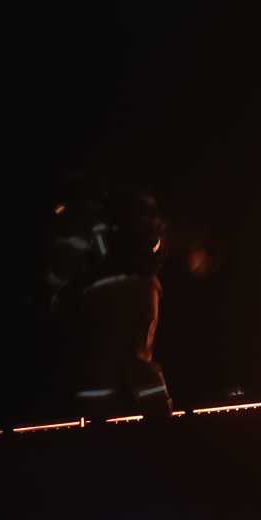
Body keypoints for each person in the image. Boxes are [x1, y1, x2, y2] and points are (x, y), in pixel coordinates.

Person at [48, 178, 172, 420]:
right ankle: (158, 417)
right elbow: (159, 242)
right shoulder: (140, 206)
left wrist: (55, 289)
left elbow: (69, 256)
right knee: (137, 357)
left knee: (100, 360)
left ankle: (97, 423)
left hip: (105, 293)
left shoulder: (88, 213)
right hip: (142, 289)